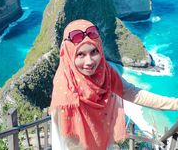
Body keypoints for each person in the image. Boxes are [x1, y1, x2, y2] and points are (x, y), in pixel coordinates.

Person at [50, 19, 178, 150]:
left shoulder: (105, 72)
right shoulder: (64, 91)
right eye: (80, 54)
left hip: (104, 143)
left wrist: (174, 104)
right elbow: (65, 142)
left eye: (94, 52)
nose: (89, 62)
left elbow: (134, 94)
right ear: (69, 55)